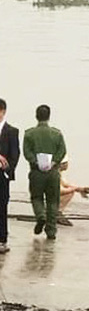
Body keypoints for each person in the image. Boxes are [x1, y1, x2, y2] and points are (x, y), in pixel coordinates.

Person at [23, 104, 67, 240]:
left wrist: (35, 162)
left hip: (36, 172)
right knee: (53, 201)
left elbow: (26, 152)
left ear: (36, 116)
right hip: (53, 172)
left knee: (36, 197)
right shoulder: (57, 133)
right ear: (49, 116)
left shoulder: (29, 134)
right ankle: (51, 230)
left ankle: (40, 216)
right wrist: (54, 161)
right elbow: (62, 151)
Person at [0, 98, 21, 253]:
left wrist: (8, 171)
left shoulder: (12, 131)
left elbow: (15, 154)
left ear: (3, 112)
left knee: (2, 206)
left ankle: (2, 239)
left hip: (2, 175)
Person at [57, 156, 89, 227]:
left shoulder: (59, 173)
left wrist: (81, 189)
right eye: (66, 163)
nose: (67, 165)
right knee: (69, 192)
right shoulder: (55, 174)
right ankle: (57, 212)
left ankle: (56, 211)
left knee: (70, 189)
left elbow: (66, 184)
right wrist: (74, 189)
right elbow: (60, 190)